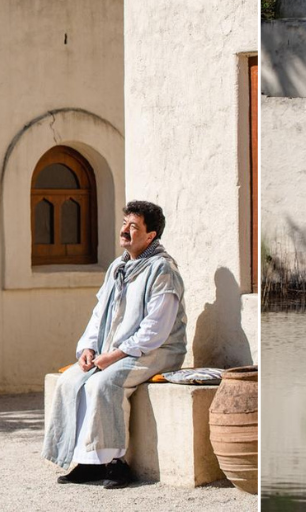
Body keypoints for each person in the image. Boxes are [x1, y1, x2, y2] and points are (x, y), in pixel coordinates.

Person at [44, 200, 187, 489]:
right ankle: (87, 461)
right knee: (70, 381)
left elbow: (155, 331)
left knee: (103, 383)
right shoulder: (117, 267)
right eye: (125, 223)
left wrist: (115, 356)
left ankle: (115, 464)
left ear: (151, 236)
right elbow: (99, 315)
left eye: (134, 227)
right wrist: (88, 348)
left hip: (157, 352)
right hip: (114, 350)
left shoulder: (162, 270)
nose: (125, 230)